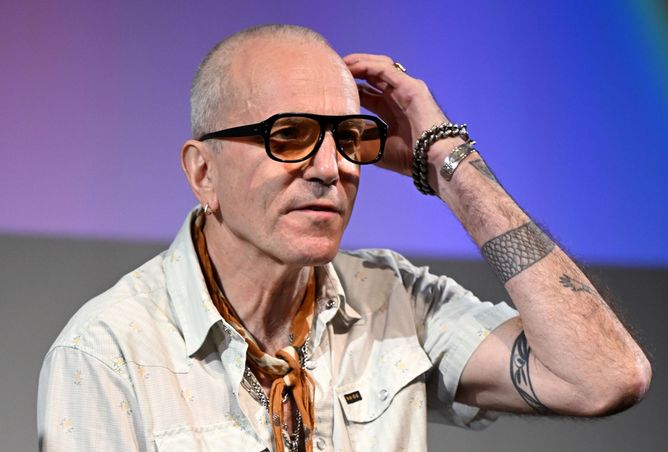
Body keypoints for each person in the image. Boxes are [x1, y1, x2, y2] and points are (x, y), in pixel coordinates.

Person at [37, 24, 651, 451]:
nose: (333, 168)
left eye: (350, 137)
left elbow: (605, 377)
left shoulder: (393, 302)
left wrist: (448, 164)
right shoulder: (109, 352)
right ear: (204, 173)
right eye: (289, 135)